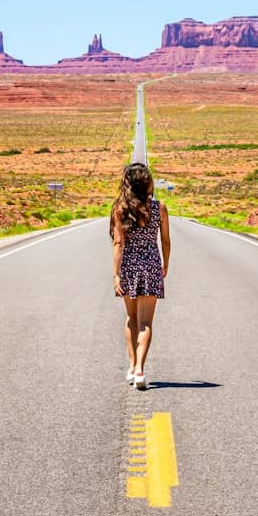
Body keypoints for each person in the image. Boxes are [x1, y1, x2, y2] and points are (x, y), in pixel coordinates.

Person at [110, 162, 171, 390]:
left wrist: (116, 275)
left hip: (129, 267)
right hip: (152, 266)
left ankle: (132, 364)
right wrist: (165, 264)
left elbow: (118, 243)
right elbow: (165, 240)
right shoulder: (160, 208)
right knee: (146, 322)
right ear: (147, 183)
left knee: (131, 318)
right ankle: (140, 370)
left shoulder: (120, 209)